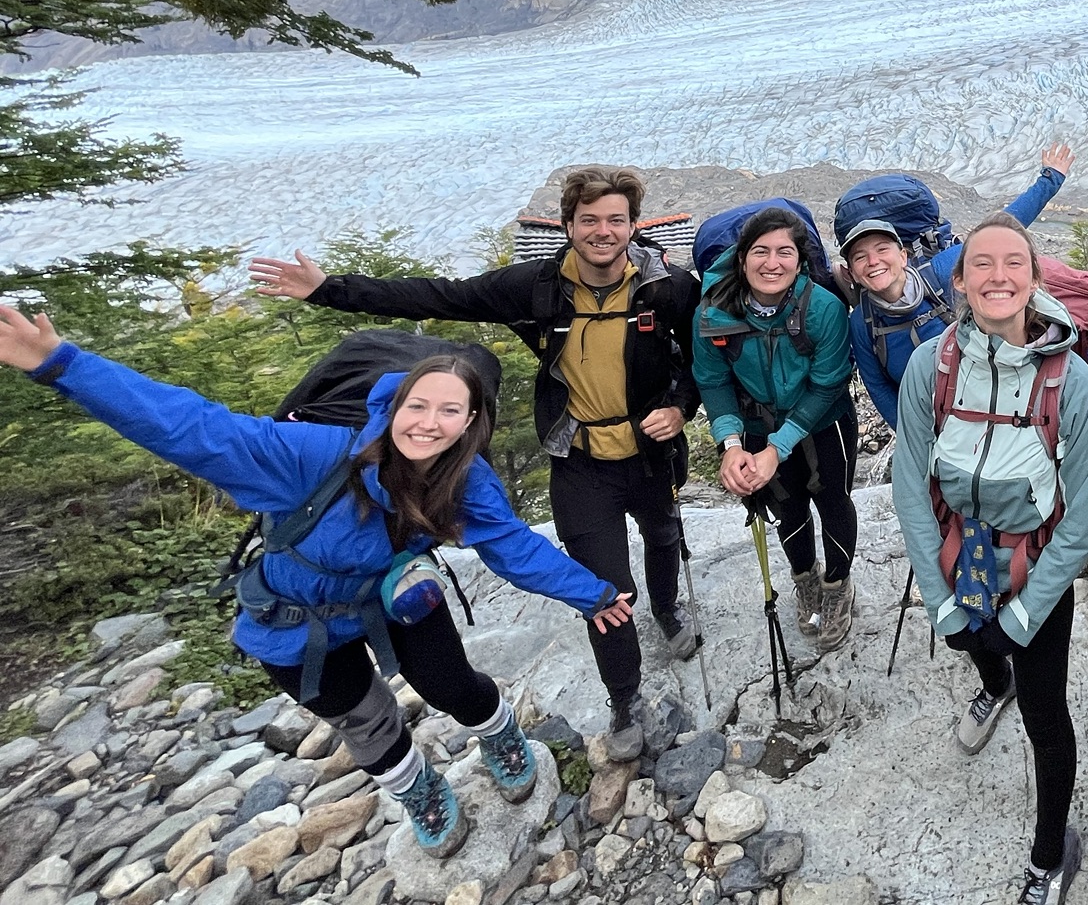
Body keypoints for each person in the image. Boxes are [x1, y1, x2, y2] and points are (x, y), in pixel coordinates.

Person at [0, 311, 633, 859]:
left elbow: (514, 547)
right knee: (365, 721)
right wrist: (63, 365)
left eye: (450, 411)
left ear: (471, 423)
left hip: (397, 597)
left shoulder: (466, 483)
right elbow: (189, 425)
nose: (428, 424)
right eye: (417, 406)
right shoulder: (310, 457)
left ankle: (500, 735)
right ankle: (421, 793)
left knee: (452, 687)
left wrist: (594, 596)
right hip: (294, 619)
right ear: (392, 406)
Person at [250, 165, 701, 745]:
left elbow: (701, 362)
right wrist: (328, 289)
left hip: (651, 452)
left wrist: (680, 407)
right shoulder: (536, 288)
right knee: (602, 584)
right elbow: (440, 296)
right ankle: (626, 699)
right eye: (589, 220)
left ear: (634, 225)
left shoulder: (669, 288)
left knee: (663, 534)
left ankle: (667, 608)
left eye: (616, 220)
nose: (603, 231)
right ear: (568, 225)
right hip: (580, 462)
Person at [891, 213, 1088, 905]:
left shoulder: (1070, 381)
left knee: (1045, 714)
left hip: (1034, 561)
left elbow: (1083, 517)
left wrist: (1027, 614)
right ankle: (994, 680)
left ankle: (1049, 857)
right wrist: (939, 600)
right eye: (981, 264)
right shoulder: (931, 366)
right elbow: (910, 486)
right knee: (968, 637)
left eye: (1014, 263)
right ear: (959, 281)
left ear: (1036, 280)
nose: (998, 276)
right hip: (962, 548)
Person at [692, 205, 858, 651]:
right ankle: (806, 580)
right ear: (742, 257)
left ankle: (837, 585)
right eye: (760, 251)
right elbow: (712, 380)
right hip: (754, 425)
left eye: (785, 252)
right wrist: (730, 444)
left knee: (833, 500)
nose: (772, 263)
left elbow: (827, 385)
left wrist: (776, 449)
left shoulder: (823, 308)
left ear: (801, 262)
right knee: (788, 507)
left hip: (824, 422)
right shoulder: (713, 312)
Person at [841, 141, 1074, 428]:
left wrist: (1050, 180)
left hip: (992, 407)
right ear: (852, 272)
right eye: (860, 257)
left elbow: (999, 229)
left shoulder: (941, 273)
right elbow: (877, 386)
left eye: (882, 250)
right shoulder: (862, 322)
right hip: (927, 422)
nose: (873, 261)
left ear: (903, 256)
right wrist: (913, 435)